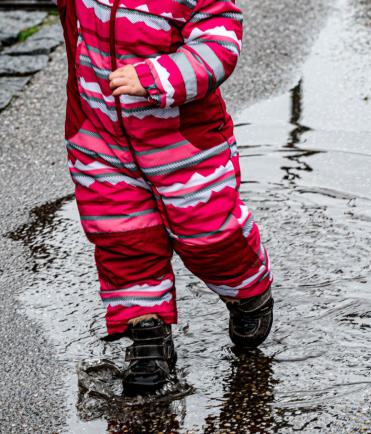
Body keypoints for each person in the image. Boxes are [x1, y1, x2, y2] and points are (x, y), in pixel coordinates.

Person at [55, 0, 274, 396]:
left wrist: (158, 76)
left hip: (184, 144)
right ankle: (147, 335)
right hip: (100, 140)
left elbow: (218, 46)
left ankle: (248, 290)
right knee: (124, 240)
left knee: (210, 236)